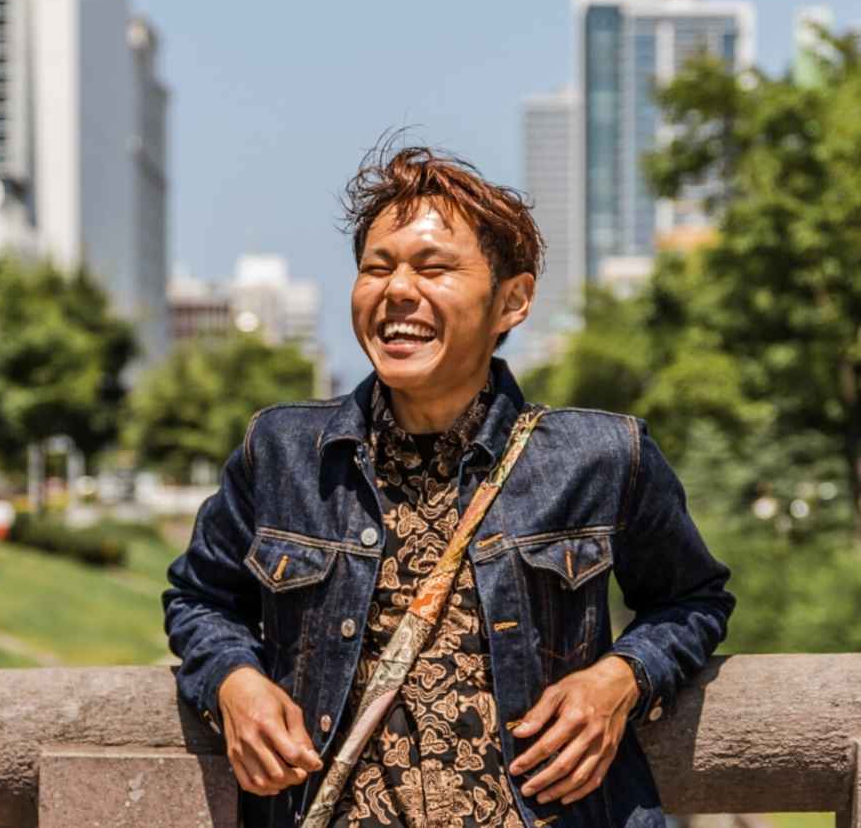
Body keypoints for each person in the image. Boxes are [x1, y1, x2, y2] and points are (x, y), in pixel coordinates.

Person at [163, 144, 734, 828]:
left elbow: (692, 600)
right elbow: (200, 600)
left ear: (512, 302)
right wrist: (234, 680)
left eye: (434, 268)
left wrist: (622, 677)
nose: (398, 290)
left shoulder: (606, 456)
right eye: (378, 268)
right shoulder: (282, 451)